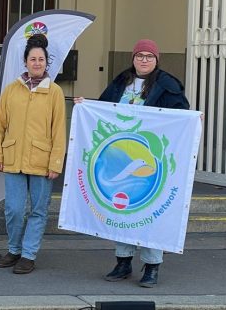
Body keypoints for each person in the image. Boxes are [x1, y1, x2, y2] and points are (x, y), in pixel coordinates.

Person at [75, 39, 190, 287]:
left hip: (153, 161)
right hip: (122, 157)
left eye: (149, 56)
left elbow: (180, 115)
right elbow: (103, 109)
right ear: (133, 58)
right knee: (123, 208)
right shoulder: (121, 81)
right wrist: (86, 106)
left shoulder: (167, 85)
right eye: (140, 55)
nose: (144, 60)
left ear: (157, 59)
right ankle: (123, 261)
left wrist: (192, 119)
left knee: (150, 211)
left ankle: (152, 265)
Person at [0, 34, 66, 274]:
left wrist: (55, 162)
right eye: (33, 59)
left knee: (38, 210)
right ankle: (14, 249)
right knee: (13, 209)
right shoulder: (11, 90)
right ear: (25, 62)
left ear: (46, 62)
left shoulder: (54, 92)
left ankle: (28, 254)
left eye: (41, 59)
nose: (37, 63)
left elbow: (59, 130)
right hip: (13, 158)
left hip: (42, 161)